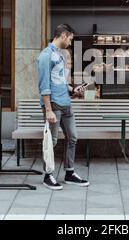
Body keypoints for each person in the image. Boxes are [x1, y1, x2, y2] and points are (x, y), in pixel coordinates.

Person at [37, 23, 90, 190]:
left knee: (72, 137)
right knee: (51, 141)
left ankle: (69, 172)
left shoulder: (58, 55)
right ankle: (48, 175)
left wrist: (73, 89)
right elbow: (44, 85)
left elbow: (60, 81)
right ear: (64, 35)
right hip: (53, 105)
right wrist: (49, 110)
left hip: (66, 103)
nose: (71, 42)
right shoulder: (46, 56)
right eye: (71, 39)